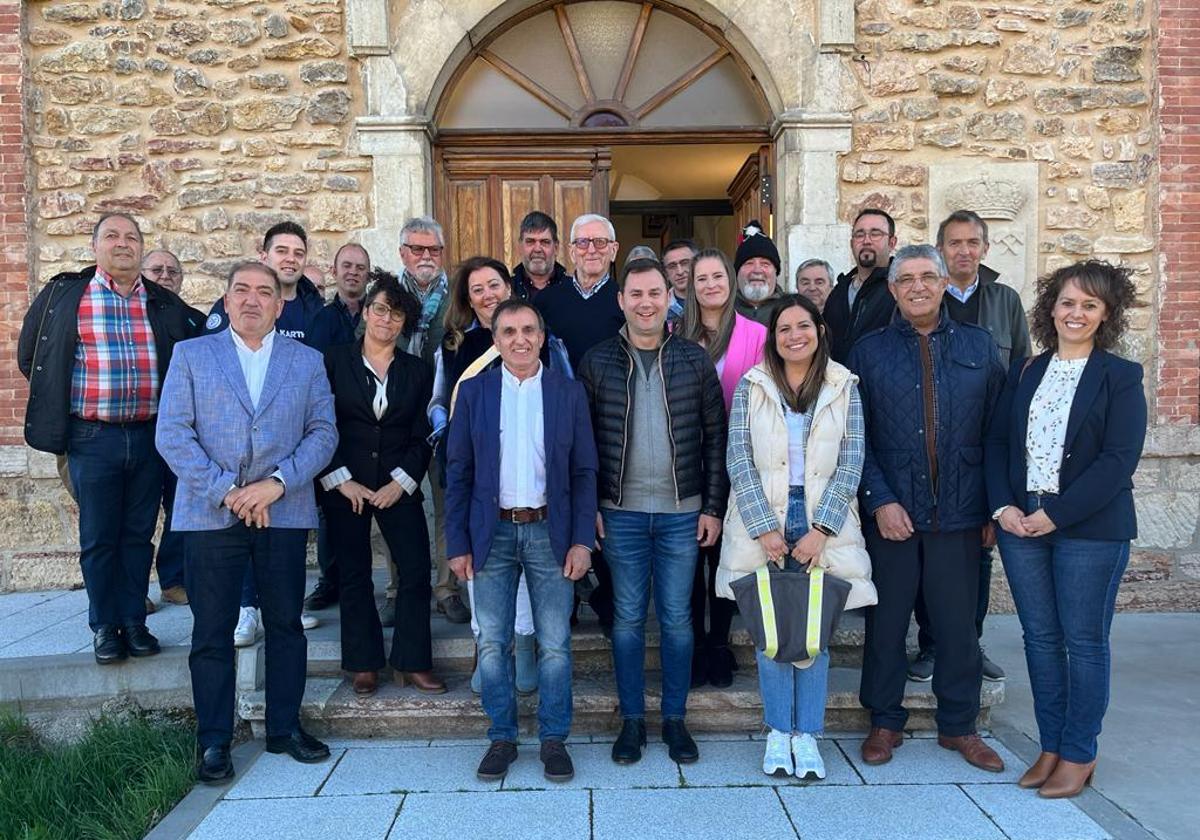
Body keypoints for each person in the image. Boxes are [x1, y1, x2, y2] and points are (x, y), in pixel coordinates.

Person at [156, 261, 338, 784]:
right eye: (242, 291)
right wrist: (230, 492)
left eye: (264, 292)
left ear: (280, 306)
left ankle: (285, 727)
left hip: (282, 512)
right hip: (211, 514)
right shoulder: (192, 355)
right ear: (227, 299)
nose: (253, 300)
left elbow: (323, 433)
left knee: (284, 625)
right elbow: (173, 434)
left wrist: (276, 484)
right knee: (212, 631)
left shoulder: (304, 361)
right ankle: (213, 741)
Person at [986, 260, 1145, 799]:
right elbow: (999, 445)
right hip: (1021, 521)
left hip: (1089, 528)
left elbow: (1118, 460)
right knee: (1041, 639)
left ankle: (1080, 751)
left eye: (1089, 305)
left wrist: (1057, 512)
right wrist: (1002, 506)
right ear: (1050, 307)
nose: (1075, 313)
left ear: (1106, 315)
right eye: (1067, 302)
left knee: (1084, 641)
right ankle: (1050, 744)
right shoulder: (1027, 371)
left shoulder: (1120, 377)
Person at [849, 244, 1006, 773]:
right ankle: (884, 721)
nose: (918, 286)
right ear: (892, 289)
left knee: (958, 627)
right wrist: (879, 501)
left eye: (927, 277)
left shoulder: (979, 347)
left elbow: (998, 434)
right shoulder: (868, 352)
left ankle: (959, 726)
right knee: (887, 625)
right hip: (893, 515)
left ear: (944, 283)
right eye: (906, 279)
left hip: (960, 513)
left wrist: (993, 508)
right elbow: (855, 439)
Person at [18, 213, 194, 665]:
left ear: (140, 246)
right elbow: (31, 356)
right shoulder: (65, 295)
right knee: (98, 537)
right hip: (92, 436)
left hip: (149, 435)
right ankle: (103, 626)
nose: (123, 244)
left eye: (131, 237)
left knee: (138, 535)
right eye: (112, 236)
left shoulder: (159, 301)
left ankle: (134, 621)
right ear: (95, 246)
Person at [578, 257, 728, 766]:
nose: (645, 303)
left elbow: (715, 439)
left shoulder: (693, 360)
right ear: (621, 301)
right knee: (625, 619)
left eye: (654, 294)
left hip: (682, 514)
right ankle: (633, 722)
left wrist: (712, 506)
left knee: (678, 619)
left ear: (670, 298)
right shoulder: (596, 362)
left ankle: (675, 719)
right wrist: (589, 507)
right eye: (635, 294)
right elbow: (584, 447)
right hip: (619, 513)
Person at [720, 294, 876, 779]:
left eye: (802, 326)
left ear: (819, 330)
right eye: (784, 328)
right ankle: (776, 732)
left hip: (819, 523)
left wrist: (821, 530)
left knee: (813, 635)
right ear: (773, 338)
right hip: (763, 517)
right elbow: (737, 457)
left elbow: (852, 460)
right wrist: (763, 527)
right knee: (770, 635)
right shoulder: (752, 384)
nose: (794, 336)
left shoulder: (843, 384)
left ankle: (806, 734)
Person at [445, 298, 599, 783]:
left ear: (541, 336)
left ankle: (554, 739)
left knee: (554, 643)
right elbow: (459, 471)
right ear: (495, 340)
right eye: (508, 331)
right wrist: (457, 543)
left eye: (528, 330)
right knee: (493, 642)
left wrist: (581, 541)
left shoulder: (567, 393)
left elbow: (583, 471)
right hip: (490, 533)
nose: (519, 339)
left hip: (548, 530)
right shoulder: (473, 393)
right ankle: (502, 737)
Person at [909, 210, 1034, 685]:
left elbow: (1021, 375)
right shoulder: (925, 298)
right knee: (927, 556)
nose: (964, 251)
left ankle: (970, 644)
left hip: (982, 452)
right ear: (941, 249)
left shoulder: (1003, 302)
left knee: (977, 556)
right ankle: (930, 645)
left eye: (972, 243)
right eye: (955, 243)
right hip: (925, 451)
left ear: (984, 248)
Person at [317, 273, 445, 697]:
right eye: (380, 310)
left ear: (405, 322)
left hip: (396, 483)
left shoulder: (418, 370)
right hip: (346, 485)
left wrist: (402, 482)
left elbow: (422, 431)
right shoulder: (334, 361)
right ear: (367, 312)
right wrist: (339, 479)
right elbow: (319, 424)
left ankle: (412, 661)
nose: (386, 320)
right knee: (353, 573)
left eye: (396, 314)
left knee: (414, 571)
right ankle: (363, 662)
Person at [429, 258, 544, 694]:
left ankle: (525, 646)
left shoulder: (535, 335)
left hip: (529, 474)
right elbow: (439, 401)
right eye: (476, 289)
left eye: (493, 284)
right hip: (478, 471)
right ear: (467, 297)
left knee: (526, 573)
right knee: (481, 566)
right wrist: (451, 434)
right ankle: (486, 649)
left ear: (508, 286)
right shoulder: (455, 344)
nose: (487, 294)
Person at [676, 248, 767, 688]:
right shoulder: (676, 335)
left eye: (717, 277)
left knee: (728, 557)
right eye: (701, 279)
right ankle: (693, 646)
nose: (710, 285)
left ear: (730, 283)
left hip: (742, 462)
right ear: (690, 288)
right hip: (690, 463)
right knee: (693, 558)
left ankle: (719, 642)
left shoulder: (756, 335)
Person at [536, 213, 626, 631]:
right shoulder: (548, 303)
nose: (591, 250)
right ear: (569, 251)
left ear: (614, 249)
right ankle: (566, 599)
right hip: (558, 426)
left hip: (615, 427)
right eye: (583, 243)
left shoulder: (627, 300)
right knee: (563, 506)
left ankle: (610, 602)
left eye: (600, 243)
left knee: (608, 513)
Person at [394, 217, 467, 624]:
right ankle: (397, 587)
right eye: (417, 249)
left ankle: (446, 588)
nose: (426, 257)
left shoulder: (458, 297)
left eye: (433, 250)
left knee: (446, 505)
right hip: (397, 418)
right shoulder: (384, 294)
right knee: (393, 505)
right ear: (403, 252)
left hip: (443, 418)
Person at [303, 242, 373, 615]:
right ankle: (331, 580)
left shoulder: (377, 314)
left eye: (360, 267)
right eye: (346, 265)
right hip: (332, 424)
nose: (353, 272)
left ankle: (360, 580)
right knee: (332, 509)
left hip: (372, 426)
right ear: (335, 270)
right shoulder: (321, 320)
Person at [141, 248, 205, 609]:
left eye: (173, 271)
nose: (165, 276)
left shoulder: (194, 320)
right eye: (156, 270)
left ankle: (174, 580)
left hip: (185, 433)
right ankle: (133, 590)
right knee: (139, 515)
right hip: (140, 429)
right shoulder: (129, 316)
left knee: (181, 506)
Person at [825, 209, 897, 363]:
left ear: (892, 243)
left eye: (875, 234)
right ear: (852, 244)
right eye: (859, 234)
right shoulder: (839, 291)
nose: (866, 240)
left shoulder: (900, 288)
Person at [733, 221, 784, 326]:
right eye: (749, 263)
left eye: (765, 264)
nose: (757, 270)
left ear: (776, 272)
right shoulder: (723, 311)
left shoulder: (790, 309)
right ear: (737, 273)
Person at [511, 211, 570, 301]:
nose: (537, 249)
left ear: (556, 248)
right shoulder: (507, 291)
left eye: (545, 242)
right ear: (520, 247)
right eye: (530, 241)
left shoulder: (573, 289)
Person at [662, 239, 698, 321]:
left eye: (685, 263)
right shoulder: (660, 307)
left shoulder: (713, 299)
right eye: (672, 266)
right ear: (666, 274)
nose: (680, 271)